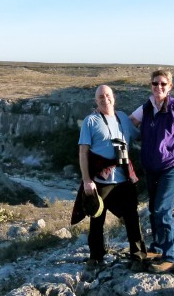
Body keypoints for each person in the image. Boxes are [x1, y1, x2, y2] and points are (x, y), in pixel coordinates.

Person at [71, 85, 147, 270]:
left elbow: (140, 135)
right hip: (100, 180)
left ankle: (138, 256)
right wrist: (87, 180)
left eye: (108, 95)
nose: (105, 99)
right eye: (100, 97)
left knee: (132, 218)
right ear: (96, 101)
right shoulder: (91, 121)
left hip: (123, 179)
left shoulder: (123, 118)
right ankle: (96, 257)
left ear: (114, 97)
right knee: (96, 219)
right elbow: (83, 152)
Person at [129, 69, 174, 273]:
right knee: (153, 208)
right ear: (151, 85)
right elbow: (130, 123)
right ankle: (158, 247)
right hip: (151, 168)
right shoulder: (147, 107)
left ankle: (171, 255)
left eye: (163, 84)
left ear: (170, 87)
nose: (159, 87)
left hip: (172, 167)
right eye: (155, 84)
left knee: (162, 210)